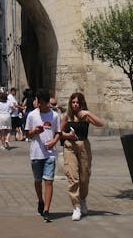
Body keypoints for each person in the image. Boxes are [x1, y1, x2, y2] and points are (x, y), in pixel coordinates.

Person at [58, 91, 105, 220]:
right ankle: (76, 207)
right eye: (73, 102)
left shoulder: (85, 116)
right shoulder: (66, 116)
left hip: (84, 146)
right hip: (70, 147)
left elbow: (101, 124)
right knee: (73, 177)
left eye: (78, 102)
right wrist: (68, 135)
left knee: (85, 177)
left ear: (82, 103)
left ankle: (83, 199)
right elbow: (59, 133)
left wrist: (88, 113)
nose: (75, 105)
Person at [25, 88, 61, 222]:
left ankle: (46, 209)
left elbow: (58, 132)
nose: (38, 104)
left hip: (50, 153)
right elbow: (27, 134)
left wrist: (54, 141)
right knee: (37, 181)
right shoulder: (32, 115)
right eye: (36, 101)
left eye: (40, 102)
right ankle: (40, 200)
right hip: (36, 153)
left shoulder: (54, 116)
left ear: (47, 102)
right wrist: (34, 131)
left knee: (49, 181)